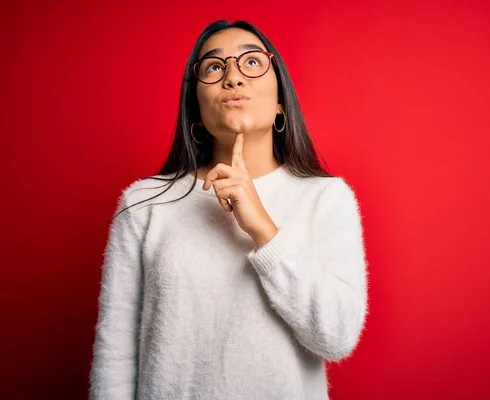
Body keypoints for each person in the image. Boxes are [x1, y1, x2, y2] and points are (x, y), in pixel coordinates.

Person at [89, 19, 369, 400]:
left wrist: (264, 232)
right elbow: (115, 355)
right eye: (215, 67)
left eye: (252, 63)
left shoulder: (326, 198)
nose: (234, 78)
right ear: (196, 108)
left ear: (280, 102)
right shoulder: (145, 204)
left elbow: (337, 337)